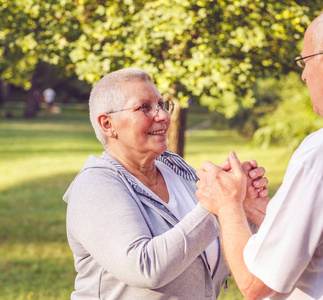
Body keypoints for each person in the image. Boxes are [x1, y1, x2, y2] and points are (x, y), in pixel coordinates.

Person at [195, 3, 323, 299]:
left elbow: (256, 285)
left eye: (304, 62)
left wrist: (226, 205)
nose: (303, 76)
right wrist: (248, 205)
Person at [63, 67, 269, 299]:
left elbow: (213, 254)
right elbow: (144, 267)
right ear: (108, 124)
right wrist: (217, 206)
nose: (162, 116)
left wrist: (241, 208)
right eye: (145, 107)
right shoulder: (94, 186)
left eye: (161, 105)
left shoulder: (175, 168)